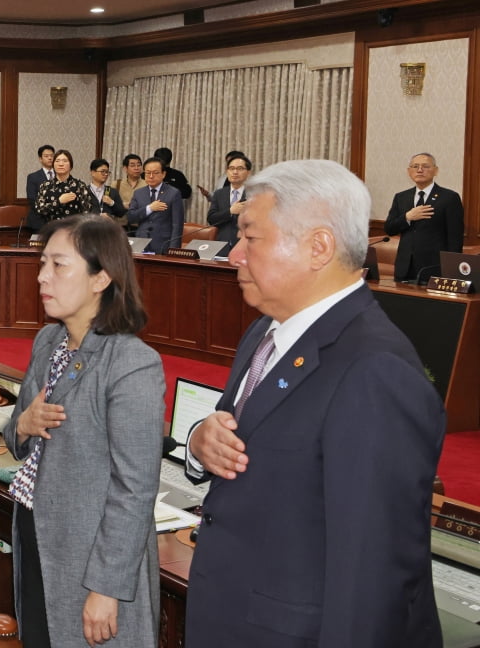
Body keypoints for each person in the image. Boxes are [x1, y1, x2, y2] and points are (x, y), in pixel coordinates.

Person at [184, 160, 444, 646]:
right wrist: (201, 440)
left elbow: (372, 579)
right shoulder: (265, 332)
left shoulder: (375, 371)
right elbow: (245, 439)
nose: (234, 254)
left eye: (250, 238)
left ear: (318, 246)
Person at [4, 215, 163, 647]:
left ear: (101, 279)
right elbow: (17, 434)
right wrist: (22, 425)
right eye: (42, 264)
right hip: (36, 531)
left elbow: (135, 487)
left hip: (91, 554)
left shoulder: (130, 362)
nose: (42, 277)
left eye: (58, 265)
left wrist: (107, 587)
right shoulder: (47, 342)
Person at [383, 152, 464, 282]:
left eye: (425, 166)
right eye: (415, 166)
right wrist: (408, 217)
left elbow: (455, 237)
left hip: (434, 268)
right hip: (405, 267)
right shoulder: (401, 197)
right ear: (409, 171)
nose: (420, 170)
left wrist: (452, 270)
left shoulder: (449, 197)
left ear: (436, 171)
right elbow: (389, 228)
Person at [126, 158, 185, 253]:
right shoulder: (138, 193)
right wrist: (150, 208)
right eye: (148, 173)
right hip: (141, 244)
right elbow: (131, 217)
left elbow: (177, 225)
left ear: (163, 174)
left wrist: (173, 250)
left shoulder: (173, 193)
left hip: (163, 245)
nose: (151, 176)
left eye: (155, 173)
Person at [34, 150, 95, 222]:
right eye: (57, 161)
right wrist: (59, 202)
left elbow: (87, 212)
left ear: (71, 166)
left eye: (65, 161)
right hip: (51, 229)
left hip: (74, 229)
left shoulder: (80, 185)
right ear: (53, 165)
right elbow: (39, 209)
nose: (61, 164)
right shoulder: (45, 186)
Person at [205, 154, 251, 247]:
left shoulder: (254, 194)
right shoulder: (219, 194)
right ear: (227, 171)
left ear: (248, 172)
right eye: (231, 168)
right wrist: (230, 211)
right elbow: (211, 219)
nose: (235, 172)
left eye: (240, 168)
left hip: (244, 246)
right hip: (221, 246)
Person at [86, 158, 128, 227]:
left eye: (107, 172)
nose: (105, 174)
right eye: (102, 171)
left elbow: (121, 213)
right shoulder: (85, 191)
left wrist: (112, 203)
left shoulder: (112, 191)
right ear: (93, 173)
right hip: (89, 228)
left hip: (108, 229)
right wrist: (98, 215)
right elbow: (80, 212)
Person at [26, 145, 56, 231]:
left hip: (57, 221)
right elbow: (32, 199)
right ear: (40, 159)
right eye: (46, 156)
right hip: (39, 220)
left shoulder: (60, 176)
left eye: (52, 156)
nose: (50, 158)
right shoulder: (33, 177)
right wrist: (49, 208)